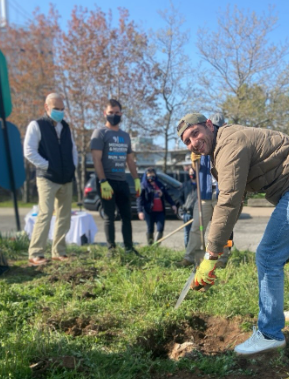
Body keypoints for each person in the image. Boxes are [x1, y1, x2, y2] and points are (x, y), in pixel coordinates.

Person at [177, 113, 289, 356]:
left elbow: (229, 200)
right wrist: (222, 244)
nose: (193, 143)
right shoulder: (225, 144)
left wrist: (211, 255)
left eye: (195, 134)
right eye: (187, 142)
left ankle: (269, 334)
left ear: (209, 125)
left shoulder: (229, 144)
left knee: (268, 255)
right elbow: (237, 198)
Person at [24, 92, 78, 266]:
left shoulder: (66, 127)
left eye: (63, 109)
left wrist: (73, 167)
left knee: (64, 216)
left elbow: (73, 150)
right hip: (47, 177)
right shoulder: (37, 125)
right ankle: (36, 253)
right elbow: (29, 151)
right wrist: (48, 165)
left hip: (66, 177)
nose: (60, 112)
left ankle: (59, 252)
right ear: (46, 107)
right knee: (45, 213)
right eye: (56, 109)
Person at [177, 113, 232, 269]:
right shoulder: (200, 146)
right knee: (197, 227)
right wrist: (195, 162)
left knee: (223, 228)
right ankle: (189, 256)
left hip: (222, 194)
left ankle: (222, 258)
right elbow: (197, 172)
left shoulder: (226, 144)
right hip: (205, 194)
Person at [90, 99, 141, 255]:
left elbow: (130, 160)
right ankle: (111, 248)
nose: (114, 115)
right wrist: (103, 181)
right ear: (105, 113)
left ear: (121, 114)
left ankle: (129, 248)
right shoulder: (100, 133)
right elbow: (96, 159)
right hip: (107, 182)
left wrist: (136, 179)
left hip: (122, 181)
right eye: (111, 112)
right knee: (109, 217)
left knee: (127, 216)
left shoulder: (125, 136)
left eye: (117, 112)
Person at [137, 168, 177, 244]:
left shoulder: (160, 184)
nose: (151, 177)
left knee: (160, 228)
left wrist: (173, 204)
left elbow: (167, 196)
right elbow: (139, 199)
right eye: (149, 175)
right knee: (150, 229)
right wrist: (140, 211)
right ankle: (150, 246)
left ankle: (156, 246)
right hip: (149, 211)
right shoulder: (143, 186)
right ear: (146, 176)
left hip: (160, 211)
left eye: (153, 175)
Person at [180, 166, 197, 248]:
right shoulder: (185, 185)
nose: (191, 174)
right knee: (187, 232)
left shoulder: (201, 186)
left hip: (197, 214)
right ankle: (187, 249)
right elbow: (180, 198)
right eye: (190, 173)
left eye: (193, 173)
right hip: (187, 213)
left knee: (197, 232)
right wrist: (182, 210)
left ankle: (196, 248)